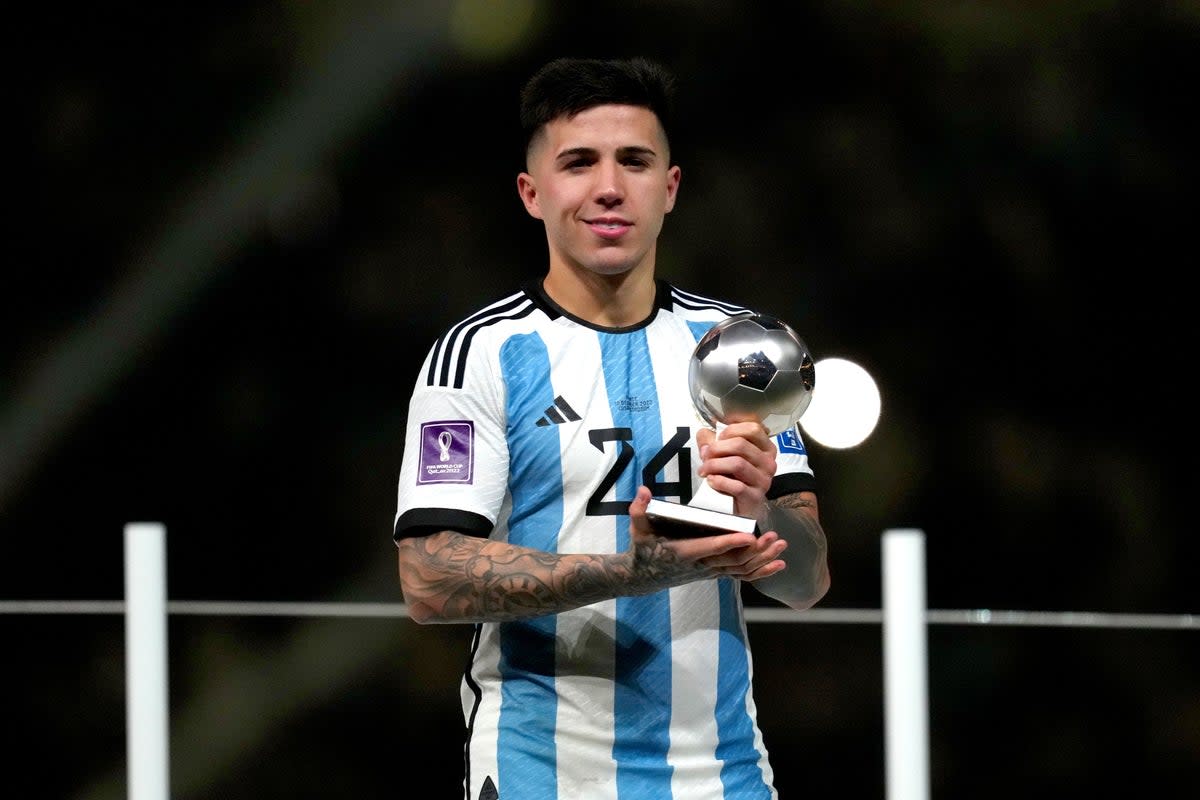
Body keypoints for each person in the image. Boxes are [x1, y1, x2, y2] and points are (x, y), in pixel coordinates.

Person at [393, 55, 830, 800]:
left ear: (671, 187)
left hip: (721, 774)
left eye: (634, 160)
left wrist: (759, 516)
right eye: (579, 162)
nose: (608, 186)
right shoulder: (479, 354)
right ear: (532, 194)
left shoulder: (740, 349)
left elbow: (809, 580)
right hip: (540, 769)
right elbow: (428, 577)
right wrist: (632, 574)